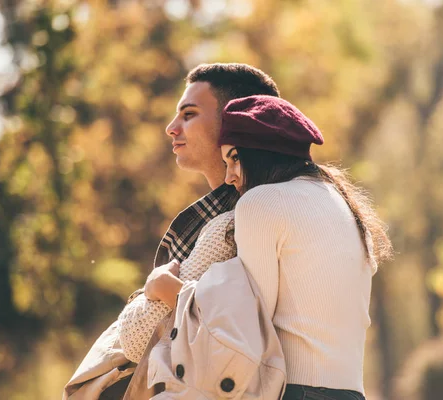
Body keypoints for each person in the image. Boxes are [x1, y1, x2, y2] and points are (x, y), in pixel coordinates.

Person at [146, 95, 393, 400]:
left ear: (262, 154)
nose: (229, 176)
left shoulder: (261, 202)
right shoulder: (346, 207)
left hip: (295, 392)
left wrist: (167, 287)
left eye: (234, 158)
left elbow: (245, 324)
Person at [63, 63, 281, 400]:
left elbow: (140, 339)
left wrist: (154, 289)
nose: (171, 128)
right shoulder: (225, 214)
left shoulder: (232, 225)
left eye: (189, 115)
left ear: (233, 124)